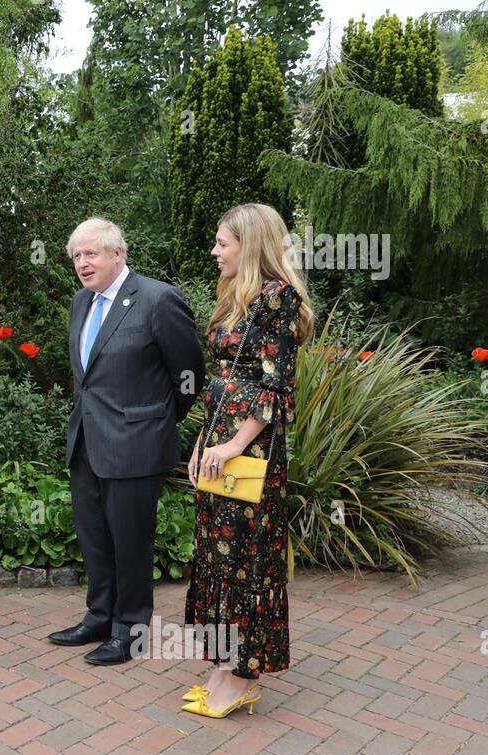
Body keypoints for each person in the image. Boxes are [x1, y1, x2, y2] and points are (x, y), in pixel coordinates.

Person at [49, 218, 205, 665]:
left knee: (131, 543)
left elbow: (190, 376)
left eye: (91, 253)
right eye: (77, 256)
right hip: (87, 443)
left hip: (137, 447)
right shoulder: (82, 302)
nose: (82, 263)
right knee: (94, 537)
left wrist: (155, 423)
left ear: (118, 253)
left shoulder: (158, 299)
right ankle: (99, 616)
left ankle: (130, 632)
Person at [182, 203, 314, 719]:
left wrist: (234, 445)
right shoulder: (238, 298)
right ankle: (221, 667)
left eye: (223, 243)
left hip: (250, 449)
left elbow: (276, 388)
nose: (215, 252)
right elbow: (226, 383)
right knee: (218, 557)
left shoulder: (277, 299)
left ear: (251, 245)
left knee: (246, 559)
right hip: (221, 439)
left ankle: (243, 676)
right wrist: (202, 442)